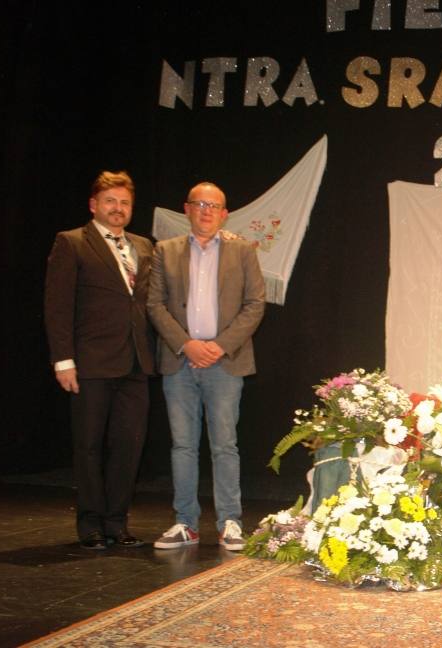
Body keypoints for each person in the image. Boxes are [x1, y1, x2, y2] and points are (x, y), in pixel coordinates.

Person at [148, 182, 266, 551]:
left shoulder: (244, 251)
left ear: (224, 213)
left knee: (224, 445)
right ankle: (186, 523)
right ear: (187, 209)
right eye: (199, 204)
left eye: (213, 206)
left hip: (224, 363)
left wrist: (217, 346)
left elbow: (255, 304)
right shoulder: (164, 251)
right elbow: (154, 305)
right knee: (183, 446)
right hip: (179, 361)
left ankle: (230, 521)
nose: (206, 211)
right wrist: (187, 344)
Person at [44, 170, 154, 550]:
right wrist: (64, 361)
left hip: (136, 363)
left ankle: (117, 523)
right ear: (94, 205)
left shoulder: (143, 246)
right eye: (110, 201)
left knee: (129, 445)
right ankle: (90, 524)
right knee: (89, 445)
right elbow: (58, 307)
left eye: (124, 202)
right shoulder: (72, 242)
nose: (118, 208)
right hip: (90, 363)